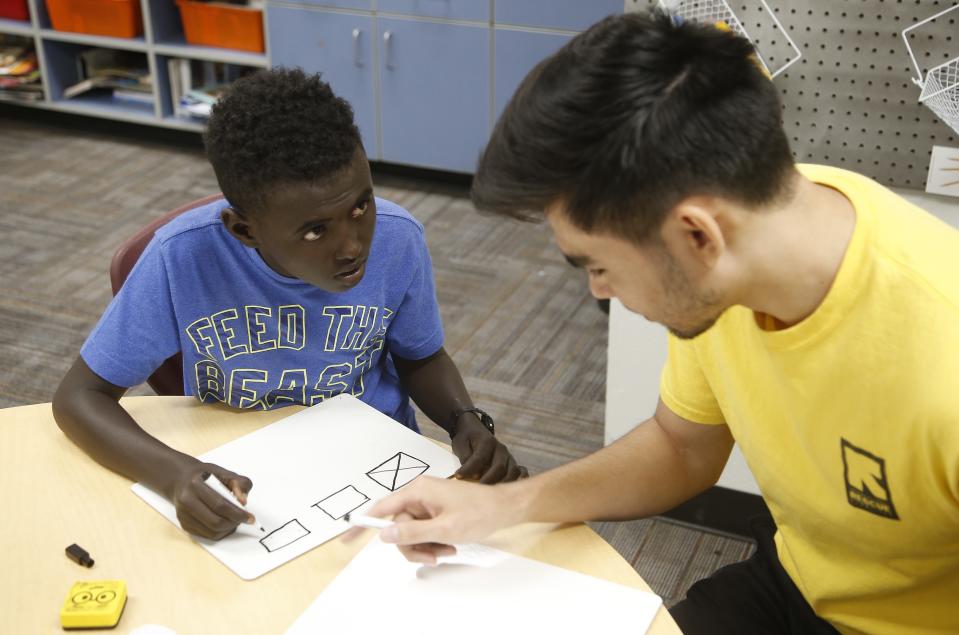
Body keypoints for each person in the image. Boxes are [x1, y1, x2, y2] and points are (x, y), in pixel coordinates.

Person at [355, 11, 959, 635]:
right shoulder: (756, 234)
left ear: (696, 234)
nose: (599, 292)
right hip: (796, 579)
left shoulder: (942, 358)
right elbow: (681, 447)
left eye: (597, 266)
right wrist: (501, 505)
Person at [52, 68, 527, 542]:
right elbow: (79, 397)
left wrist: (463, 419)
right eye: (316, 230)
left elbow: (420, 356)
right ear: (245, 230)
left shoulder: (399, 240)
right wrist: (173, 475)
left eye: (361, 206)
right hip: (247, 476)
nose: (352, 245)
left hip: (375, 463)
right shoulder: (180, 258)